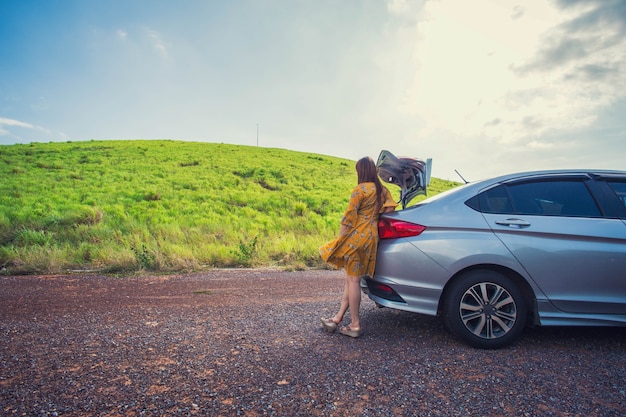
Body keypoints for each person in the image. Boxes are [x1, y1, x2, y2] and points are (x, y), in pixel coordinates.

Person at [319, 156, 397, 338]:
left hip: (356, 238)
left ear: (360, 171)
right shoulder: (382, 190)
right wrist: (374, 219)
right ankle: (337, 319)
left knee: (353, 281)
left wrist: (340, 240)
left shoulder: (359, 190)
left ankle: (355, 325)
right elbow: (391, 209)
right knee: (351, 279)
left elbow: (348, 217)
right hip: (371, 238)